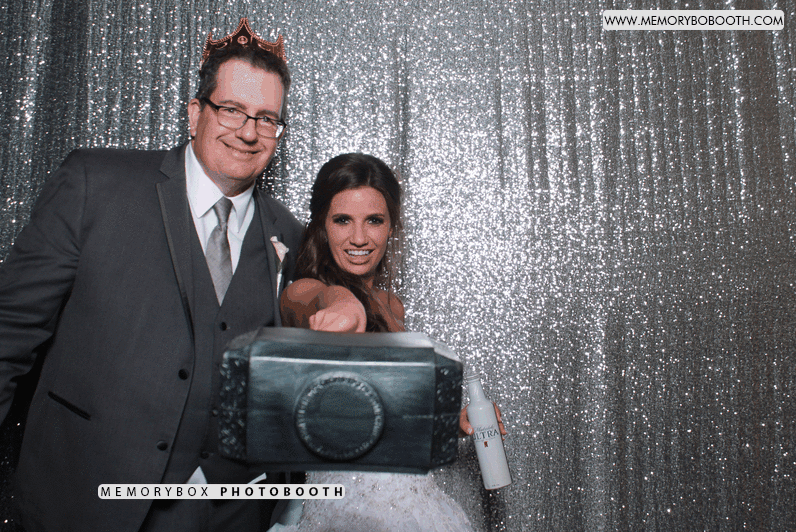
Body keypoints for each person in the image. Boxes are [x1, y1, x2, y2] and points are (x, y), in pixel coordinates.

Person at [0, 19, 358, 532]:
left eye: (266, 119)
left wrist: (341, 300)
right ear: (195, 113)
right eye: (231, 109)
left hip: (228, 513)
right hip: (83, 499)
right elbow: (9, 333)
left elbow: (307, 307)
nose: (249, 132)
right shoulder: (95, 184)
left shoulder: (288, 234)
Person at [279, 153, 504, 532]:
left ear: (391, 226)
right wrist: (342, 302)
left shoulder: (391, 306)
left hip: (418, 508)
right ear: (321, 226)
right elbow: (315, 302)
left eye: (374, 220)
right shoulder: (302, 291)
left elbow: (389, 425)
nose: (359, 237)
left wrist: (454, 423)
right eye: (342, 220)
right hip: (348, 514)